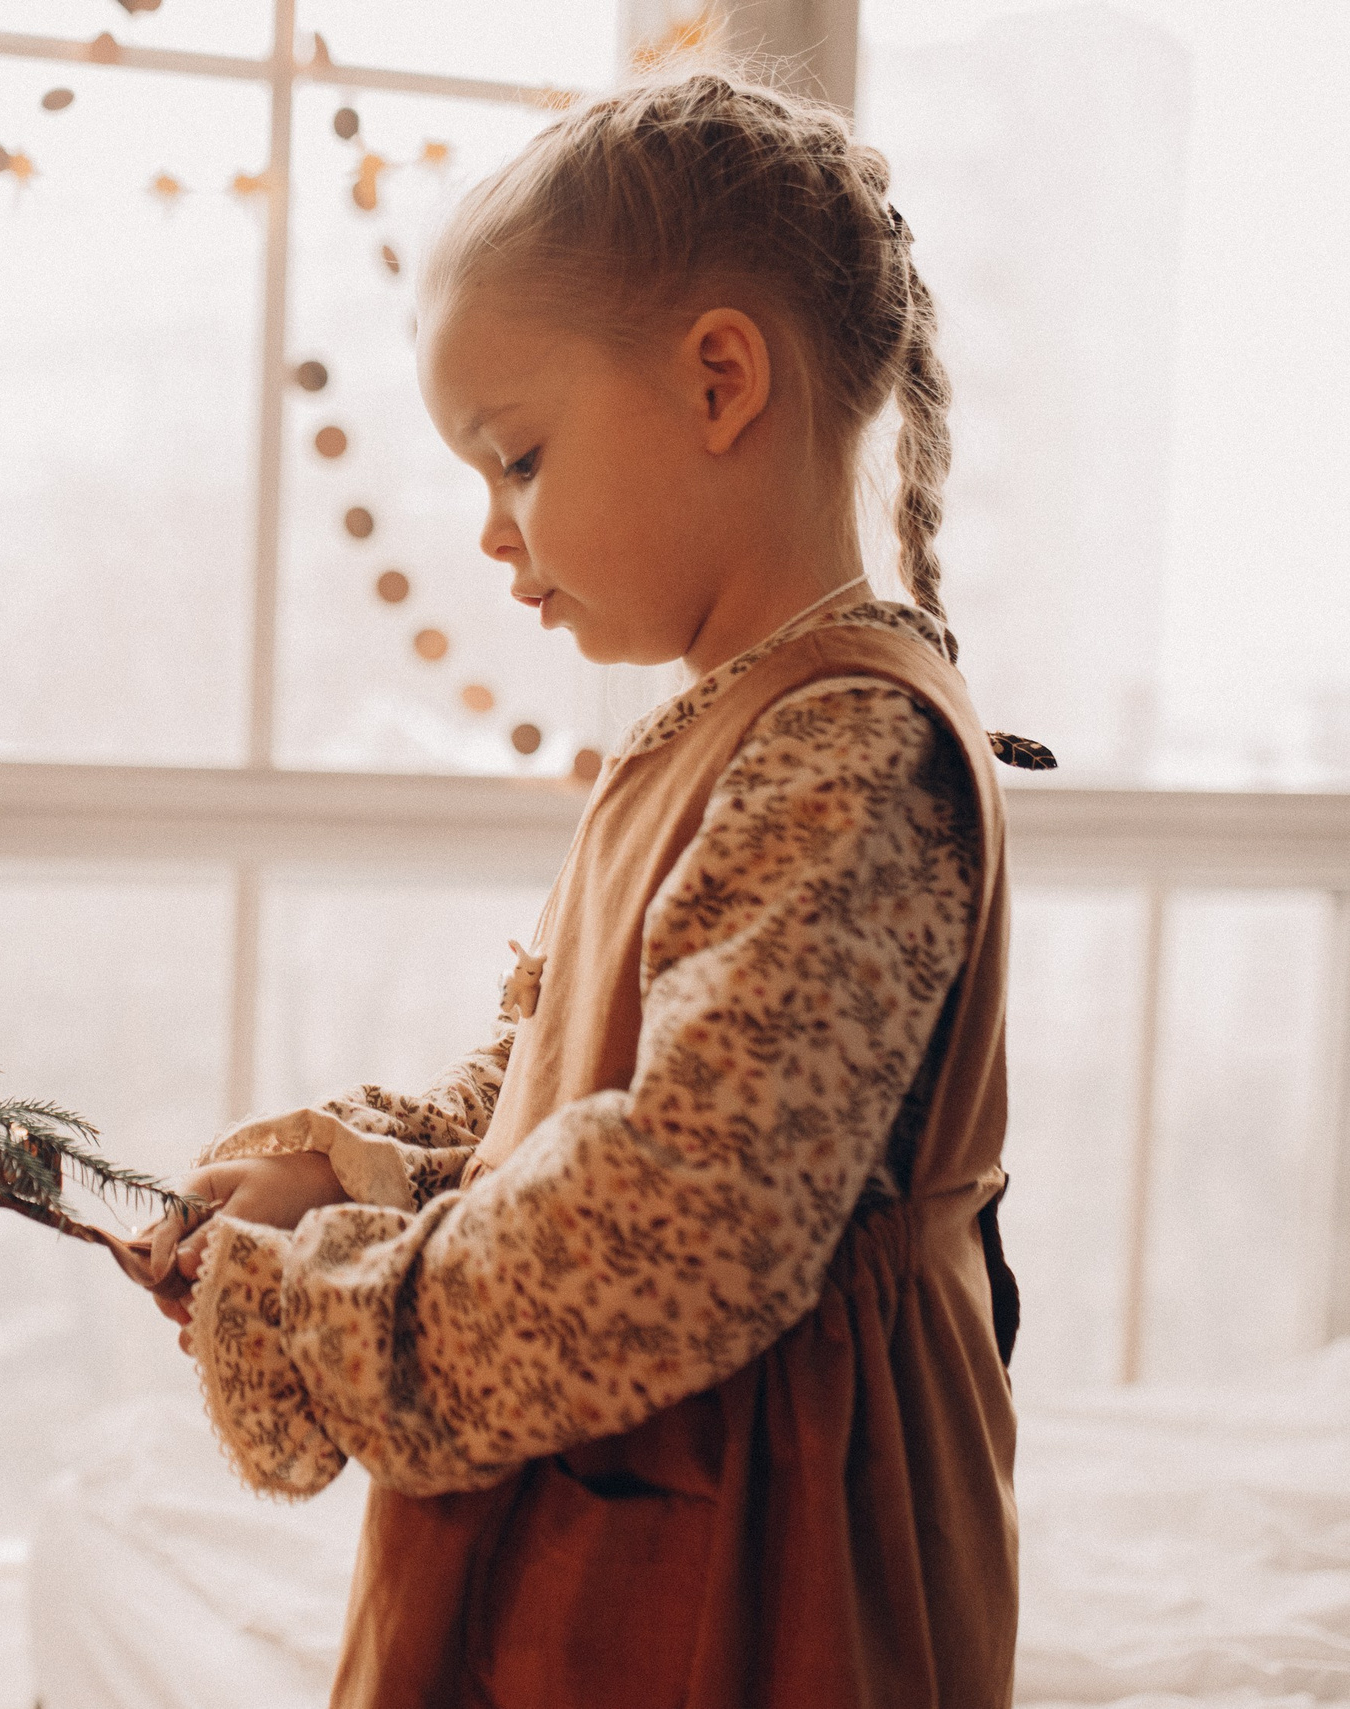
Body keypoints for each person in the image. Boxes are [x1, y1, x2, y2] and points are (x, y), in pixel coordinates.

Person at [139, 71, 1038, 1709]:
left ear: (717, 379)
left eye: (521, 457)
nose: (493, 534)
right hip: (632, 1519)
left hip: (755, 1581)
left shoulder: (843, 749)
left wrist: (322, 1308)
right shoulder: (731, 724)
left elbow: (678, 1221)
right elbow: (568, 1070)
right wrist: (366, 1168)